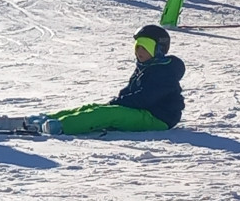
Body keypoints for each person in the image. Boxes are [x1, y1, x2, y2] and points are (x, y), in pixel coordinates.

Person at [41, 26, 183, 135]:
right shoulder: (146, 66)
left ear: (157, 50)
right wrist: (119, 100)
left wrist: (118, 103)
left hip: (158, 118)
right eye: (137, 46)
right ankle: (47, 118)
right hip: (144, 111)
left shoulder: (164, 72)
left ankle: (61, 126)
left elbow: (145, 98)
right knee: (94, 107)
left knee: (109, 114)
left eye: (145, 47)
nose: (139, 51)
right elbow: (131, 90)